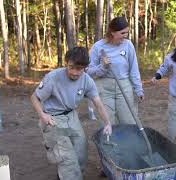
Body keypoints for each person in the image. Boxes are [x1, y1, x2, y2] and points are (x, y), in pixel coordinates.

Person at [30, 47, 112, 180]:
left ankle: (67, 175)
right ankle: (68, 175)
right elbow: (34, 98)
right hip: (53, 118)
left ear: (85, 67)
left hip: (71, 116)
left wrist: (108, 122)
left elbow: (98, 102)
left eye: (79, 69)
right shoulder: (53, 77)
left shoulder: (87, 81)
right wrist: (42, 115)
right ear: (66, 63)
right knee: (67, 155)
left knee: (81, 148)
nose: (74, 72)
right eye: (71, 67)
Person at [87, 16, 144, 125]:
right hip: (104, 87)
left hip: (124, 85)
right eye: (122, 33)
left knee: (128, 120)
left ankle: (128, 141)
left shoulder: (128, 45)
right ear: (112, 32)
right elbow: (89, 71)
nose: (125, 36)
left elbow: (134, 69)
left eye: (127, 33)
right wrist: (102, 67)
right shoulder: (98, 47)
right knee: (108, 122)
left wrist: (138, 89)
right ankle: (109, 141)